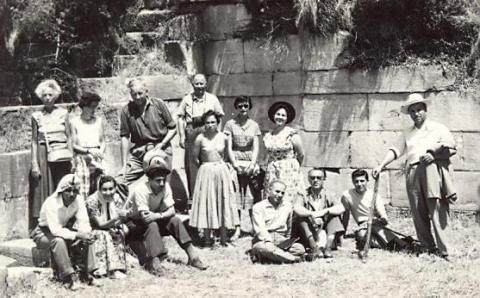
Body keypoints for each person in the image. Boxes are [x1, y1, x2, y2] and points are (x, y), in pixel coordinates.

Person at [373, 93, 456, 260]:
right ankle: (427, 247)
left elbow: (452, 148)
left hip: (432, 170)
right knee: (418, 211)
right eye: (412, 111)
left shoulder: (438, 128)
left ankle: (446, 250)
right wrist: (381, 165)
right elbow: (395, 150)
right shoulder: (407, 132)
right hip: (413, 172)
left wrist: (435, 156)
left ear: (425, 110)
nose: (416, 114)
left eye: (419, 109)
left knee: (437, 208)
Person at [125, 154, 208, 276]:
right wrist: (159, 215)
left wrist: (158, 215)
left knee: (175, 221)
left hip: (151, 219)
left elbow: (172, 211)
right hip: (133, 225)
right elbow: (145, 217)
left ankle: (193, 257)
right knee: (152, 224)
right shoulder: (141, 190)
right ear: (149, 180)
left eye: (164, 179)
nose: (162, 183)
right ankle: (155, 263)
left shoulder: (165, 187)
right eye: (158, 180)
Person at [30, 174, 99, 291]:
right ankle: (68, 278)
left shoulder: (78, 200)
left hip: (64, 230)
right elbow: (55, 230)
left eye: (75, 191)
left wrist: (86, 233)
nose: (72, 194)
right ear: (61, 190)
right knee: (58, 241)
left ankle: (89, 274)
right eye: (68, 191)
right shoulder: (51, 203)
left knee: (88, 237)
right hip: (43, 233)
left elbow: (83, 221)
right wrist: (77, 235)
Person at [189, 110, 239, 246]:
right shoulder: (200, 138)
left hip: (221, 171)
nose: (210, 125)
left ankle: (223, 239)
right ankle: (206, 239)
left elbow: (228, 154)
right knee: (207, 202)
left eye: (213, 122)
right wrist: (206, 167)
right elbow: (194, 158)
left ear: (218, 123)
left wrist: (226, 166)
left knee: (222, 202)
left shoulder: (224, 137)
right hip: (206, 171)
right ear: (204, 124)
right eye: (207, 123)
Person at [30, 79, 72, 226]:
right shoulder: (36, 116)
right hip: (43, 153)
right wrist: (34, 163)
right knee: (43, 188)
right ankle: (44, 222)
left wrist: (71, 156)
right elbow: (34, 141)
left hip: (61, 154)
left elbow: (69, 136)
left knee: (62, 185)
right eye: (44, 95)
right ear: (40, 97)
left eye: (50, 95)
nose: (47, 98)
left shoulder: (63, 113)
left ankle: (63, 220)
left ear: (55, 96)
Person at [120, 78, 177, 185]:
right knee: (120, 181)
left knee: (161, 183)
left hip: (161, 148)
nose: (137, 97)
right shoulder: (126, 110)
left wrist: (162, 144)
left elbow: (173, 129)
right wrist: (124, 165)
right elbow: (124, 137)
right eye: (134, 94)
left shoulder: (158, 104)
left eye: (140, 93)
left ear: (146, 92)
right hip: (140, 151)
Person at [176, 73, 224, 200]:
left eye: (201, 83)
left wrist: (218, 134)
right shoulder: (186, 99)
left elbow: (219, 117)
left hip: (208, 131)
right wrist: (181, 136)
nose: (199, 86)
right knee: (192, 166)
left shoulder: (213, 98)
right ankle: (195, 198)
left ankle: (212, 197)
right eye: (196, 84)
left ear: (206, 84)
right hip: (191, 131)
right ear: (192, 84)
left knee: (210, 163)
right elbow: (180, 118)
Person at [326, 169, 395, 250]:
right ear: (352, 182)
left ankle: (393, 243)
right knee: (361, 235)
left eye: (362, 181)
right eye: (356, 181)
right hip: (363, 226)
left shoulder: (374, 195)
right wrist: (343, 233)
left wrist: (382, 221)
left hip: (377, 223)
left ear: (367, 181)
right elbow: (346, 215)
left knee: (385, 235)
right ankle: (385, 244)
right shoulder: (347, 195)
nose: (359, 184)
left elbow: (383, 214)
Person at [224, 96, 262, 241]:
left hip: (249, 161)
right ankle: (237, 228)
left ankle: (255, 228)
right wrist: (234, 164)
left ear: (249, 107)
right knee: (236, 196)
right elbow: (228, 146)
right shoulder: (230, 124)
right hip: (235, 160)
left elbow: (256, 147)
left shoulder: (254, 125)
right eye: (240, 106)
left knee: (252, 196)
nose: (243, 109)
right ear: (236, 108)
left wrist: (252, 164)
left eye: (246, 106)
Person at [293, 168, 345, 259]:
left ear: (324, 179)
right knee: (301, 218)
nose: (315, 180)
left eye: (319, 178)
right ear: (308, 179)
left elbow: (341, 207)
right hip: (309, 230)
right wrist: (311, 214)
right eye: (312, 178)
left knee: (334, 216)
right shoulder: (303, 193)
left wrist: (325, 211)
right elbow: (297, 208)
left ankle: (328, 248)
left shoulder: (329, 194)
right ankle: (314, 248)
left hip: (324, 229)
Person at [250, 180, 305, 264]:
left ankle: (271, 257)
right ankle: (293, 259)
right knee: (264, 248)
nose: (280, 195)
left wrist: (287, 241)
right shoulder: (258, 207)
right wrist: (268, 242)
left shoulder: (287, 206)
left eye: (282, 193)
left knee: (299, 248)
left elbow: (289, 227)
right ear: (269, 190)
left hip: (281, 240)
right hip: (264, 240)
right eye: (277, 191)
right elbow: (260, 229)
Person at [86, 175, 129, 279]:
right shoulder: (92, 200)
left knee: (122, 231)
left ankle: (119, 266)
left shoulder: (116, 198)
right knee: (103, 234)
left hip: (109, 226)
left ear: (115, 188)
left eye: (111, 189)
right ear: (99, 189)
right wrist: (116, 219)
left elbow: (120, 219)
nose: (108, 192)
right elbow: (100, 224)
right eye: (104, 189)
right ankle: (107, 269)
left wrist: (123, 217)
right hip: (94, 229)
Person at [263, 101, 305, 204]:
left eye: (283, 115)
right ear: (273, 116)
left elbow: (301, 154)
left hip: (288, 170)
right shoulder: (269, 135)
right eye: (278, 114)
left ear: (287, 118)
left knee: (287, 197)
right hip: (272, 170)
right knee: (272, 197)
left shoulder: (291, 134)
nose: (280, 117)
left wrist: (293, 167)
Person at [70, 92, 105, 200]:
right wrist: (89, 152)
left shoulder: (98, 121)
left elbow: (103, 141)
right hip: (82, 157)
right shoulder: (74, 122)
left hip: (97, 156)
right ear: (84, 106)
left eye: (96, 107)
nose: (94, 109)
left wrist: (101, 153)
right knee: (83, 189)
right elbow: (74, 145)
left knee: (103, 183)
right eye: (92, 107)